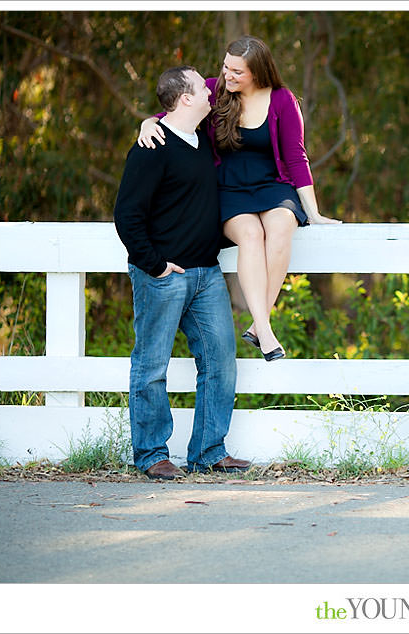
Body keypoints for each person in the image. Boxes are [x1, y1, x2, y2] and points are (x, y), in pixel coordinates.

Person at [138, 35, 340, 362]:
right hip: (227, 188)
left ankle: (261, 326)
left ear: (257, 72)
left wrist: (312, 213)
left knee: (281, 227)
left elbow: (295, 157)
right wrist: (148, 123)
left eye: (237, 72)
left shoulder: (282, 100)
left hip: (273, 186)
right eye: (226, 67)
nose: (227, 76)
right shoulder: (213, 90)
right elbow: (175, 114)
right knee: (250, 235)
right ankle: (265, 327)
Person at [114, 66, 251, 479]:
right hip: (163, 276)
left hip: (207, 274)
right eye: (201, 87)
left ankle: (209, 452)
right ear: (185, 98)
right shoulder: (151, 147)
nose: (210, 90)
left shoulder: (202, 139)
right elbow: (127, 214)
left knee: (220, 362)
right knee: (151, 365)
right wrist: (154, 265)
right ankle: (152, 454)